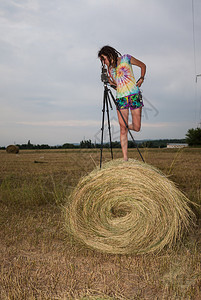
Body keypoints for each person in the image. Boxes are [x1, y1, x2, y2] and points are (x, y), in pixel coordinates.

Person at [98, 45, 146, 161]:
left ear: (109, 55)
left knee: (137, 127)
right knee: (122, 129)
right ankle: (125, 158)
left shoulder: (126, 58)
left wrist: (141, 78)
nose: (103, 62)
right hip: (121, 98)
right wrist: (109, 82)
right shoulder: (110, 70)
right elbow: (117, 86)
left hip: (134, 96)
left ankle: (125, 126)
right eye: (101, 60)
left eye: (103, 59)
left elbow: (142, 65)